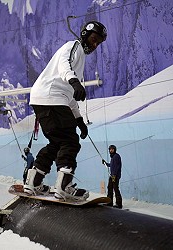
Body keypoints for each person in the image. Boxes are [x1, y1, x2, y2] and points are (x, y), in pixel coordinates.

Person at [25, 21, 107, 201]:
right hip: (50, 96)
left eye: (98, 43)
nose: (94, 45)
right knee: (70, 141)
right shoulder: (73, 46)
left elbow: (68, 95)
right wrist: (75, 81)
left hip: (47, 98)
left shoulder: (80, 58)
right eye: (94, 39)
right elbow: (64, 65)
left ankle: (34, 182)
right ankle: (64, 186)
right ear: (85, 34)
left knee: (57, 143)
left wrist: (78, 120)